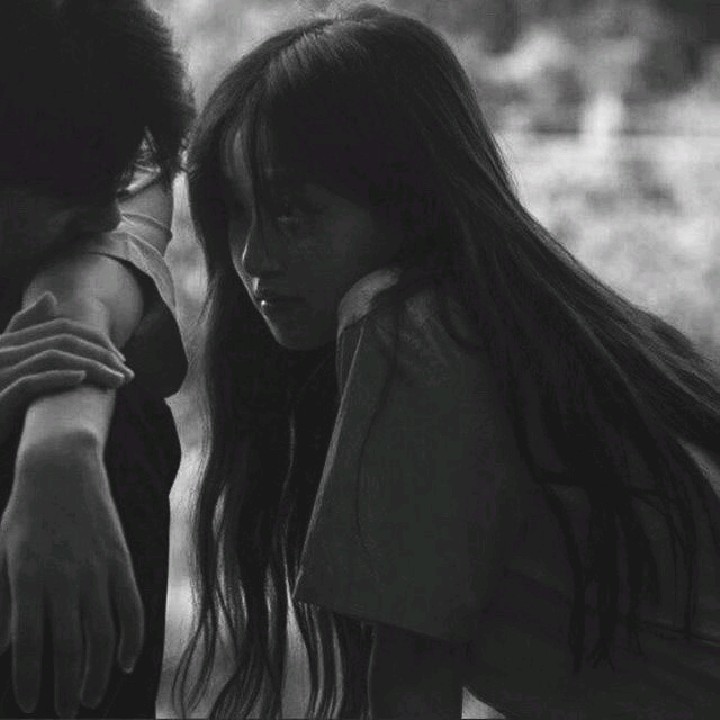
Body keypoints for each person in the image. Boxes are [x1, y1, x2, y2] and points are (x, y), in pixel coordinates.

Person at [175, 4, 720, 719]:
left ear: (406, 204)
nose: (252, 258)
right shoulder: (568, 331)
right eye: (237, 213)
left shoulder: (408, 327)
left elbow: (410, 687)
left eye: (293, 212)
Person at [0, 0, 193, 717]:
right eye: (74, 199)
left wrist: (61, 441)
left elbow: (110, 250)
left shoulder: (85, 126)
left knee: (127, 425)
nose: (108, 215)